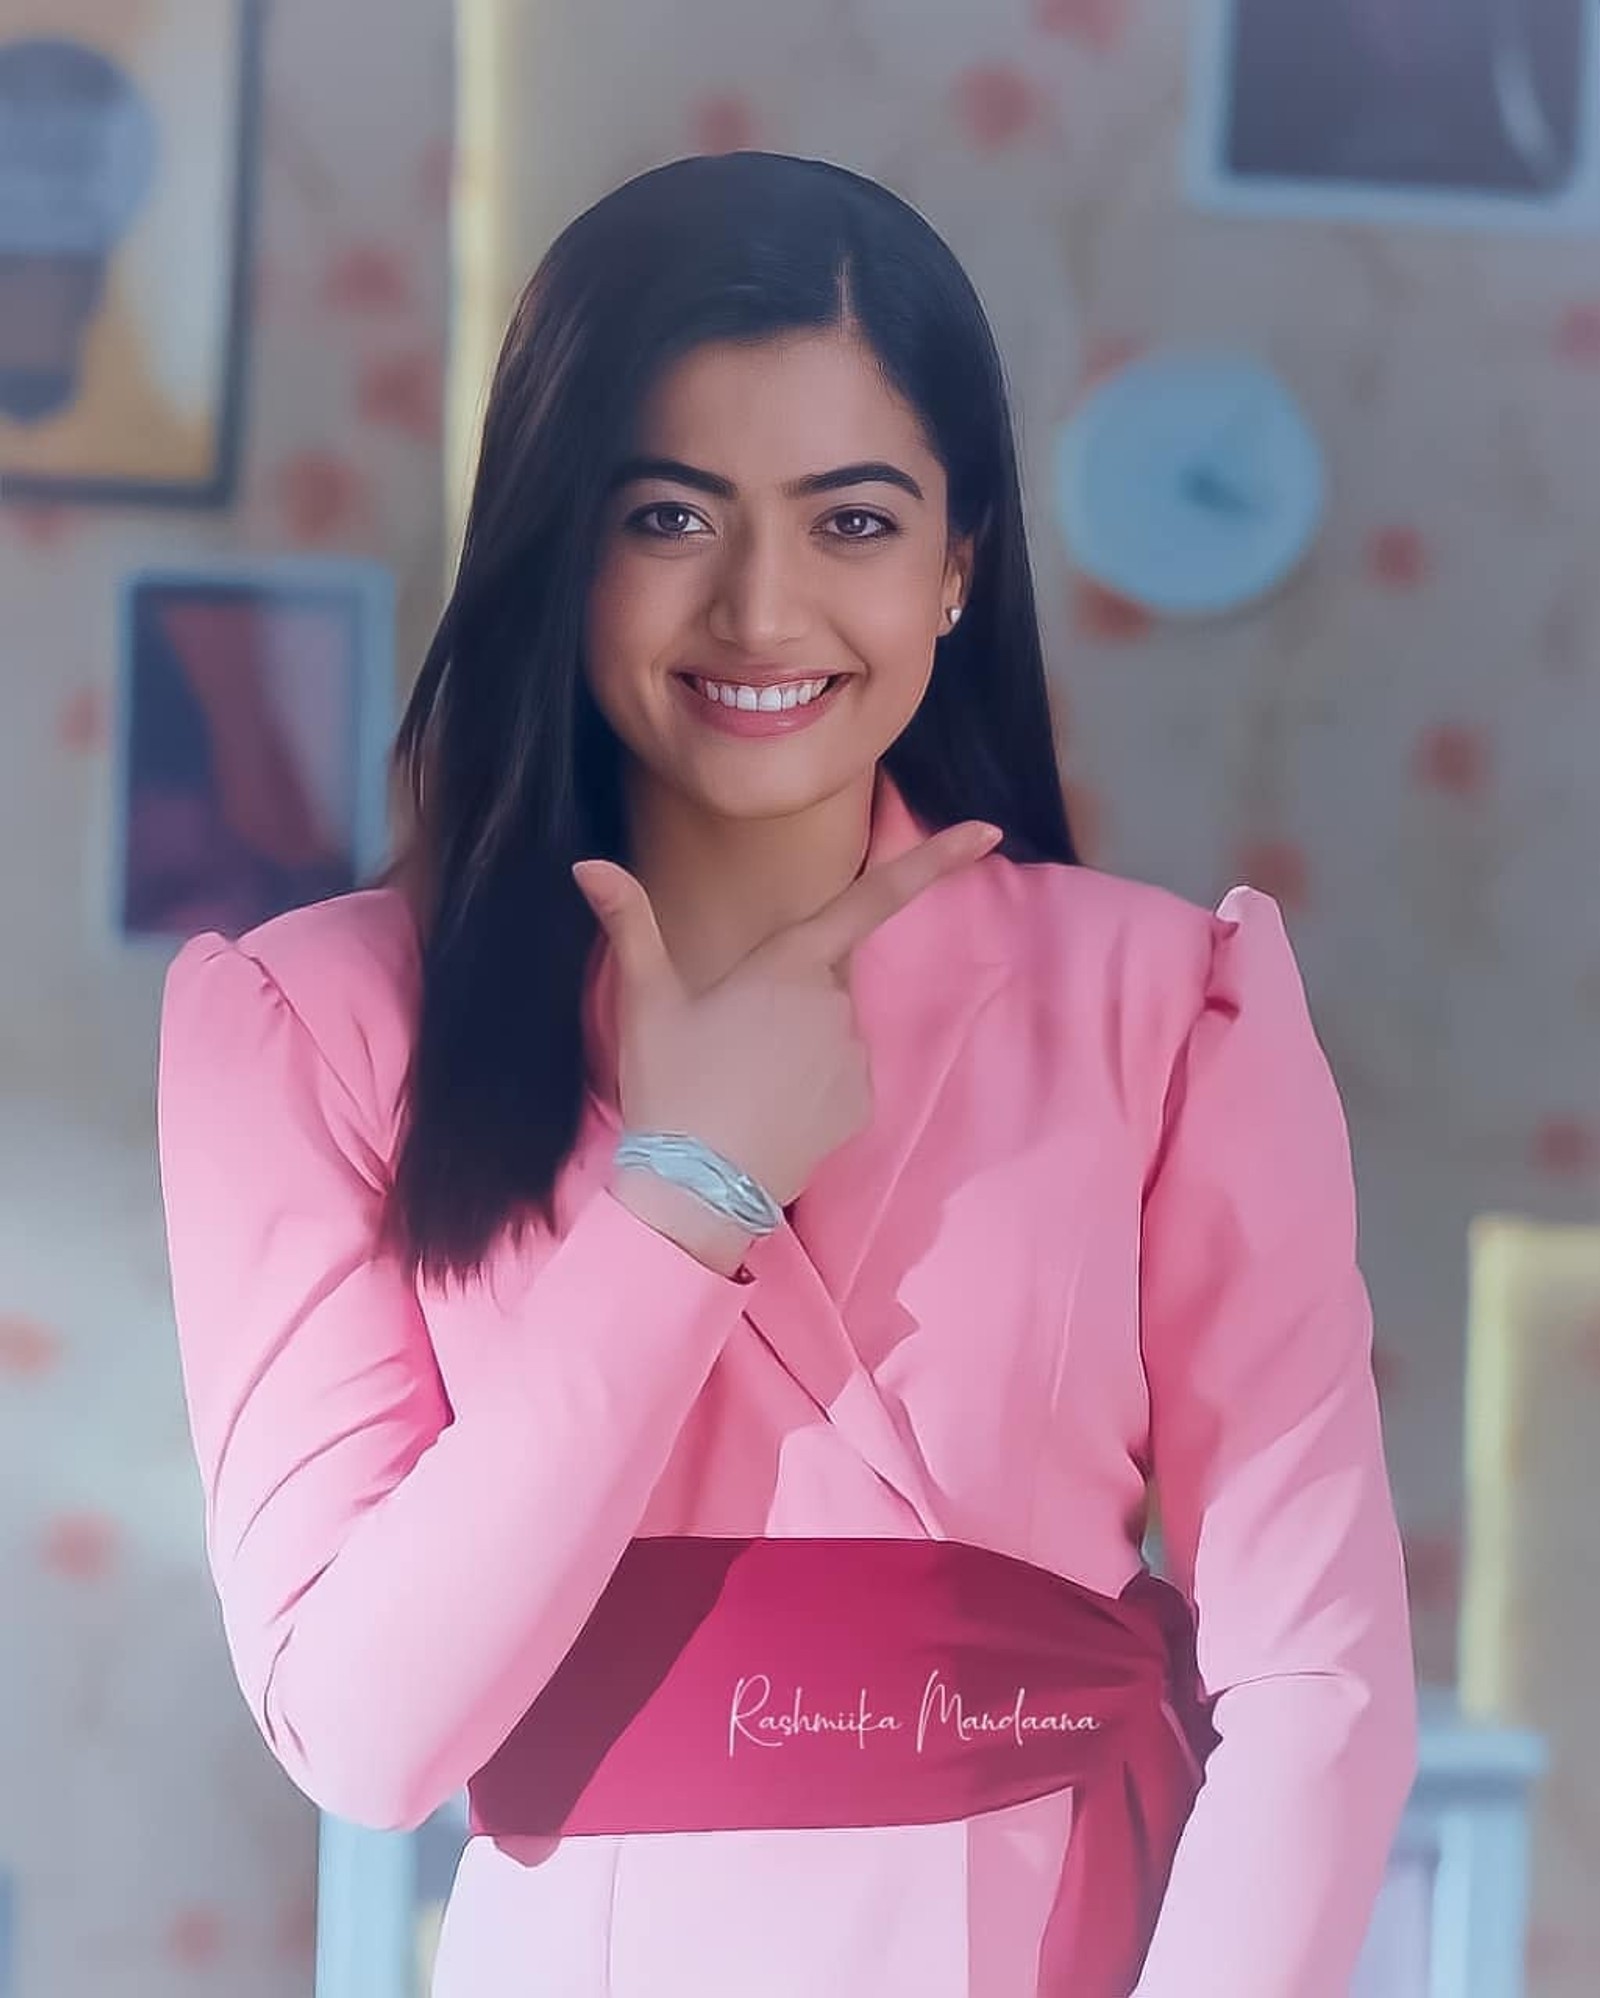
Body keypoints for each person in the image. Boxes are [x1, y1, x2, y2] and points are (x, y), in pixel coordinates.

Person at [156, 152, 1417, 1997]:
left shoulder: (1176, 1006)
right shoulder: (311, 1024)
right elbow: (361, 1734)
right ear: (557, 537)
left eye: (851, 521)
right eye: (671, 517)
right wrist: (683, 1199)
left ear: (960, 558)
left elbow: (1318, 1682)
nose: (761, 608)